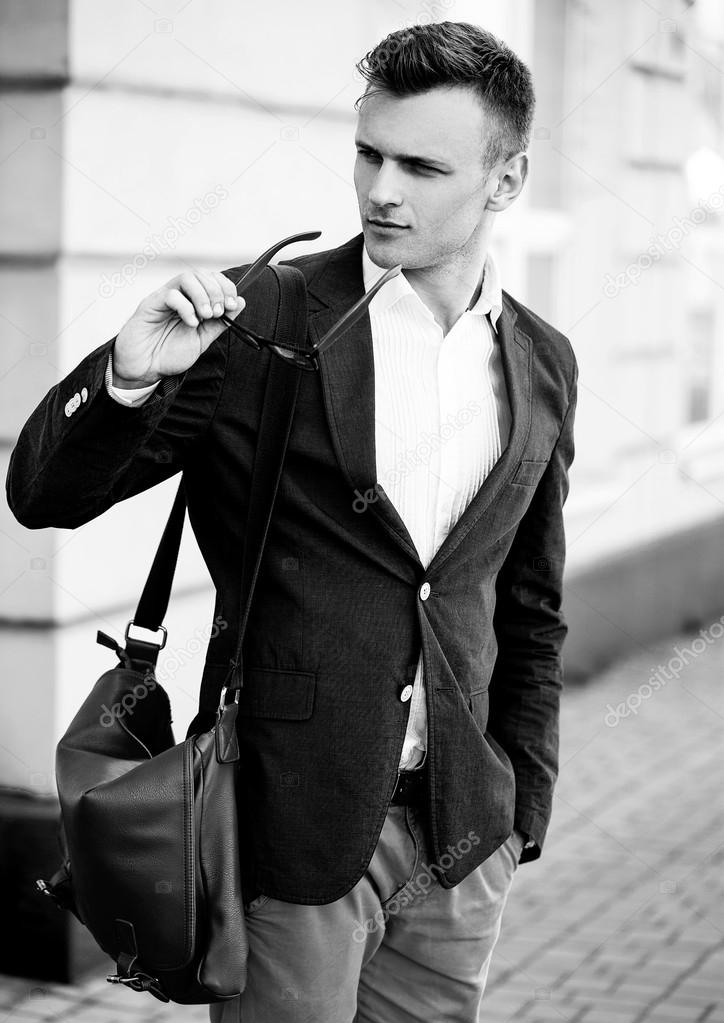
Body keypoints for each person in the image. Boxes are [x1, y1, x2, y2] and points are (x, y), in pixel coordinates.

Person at [6, 20, 578, 1023]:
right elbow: (44, 497)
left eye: (420, 165)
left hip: (458, 838)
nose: (379, 189)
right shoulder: (262, 319)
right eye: (368, 153)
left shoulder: (540, 361)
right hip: (289, 830)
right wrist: (126, 381)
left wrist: (521, 802)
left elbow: (527, 603)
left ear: (505, 180)